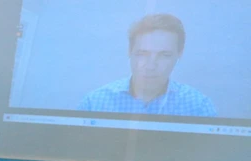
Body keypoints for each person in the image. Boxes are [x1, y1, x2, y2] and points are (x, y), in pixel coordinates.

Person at [79, 14, 216, 117]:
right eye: (142, 54)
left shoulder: (199, 107)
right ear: (129, 51)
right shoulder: (94, 103)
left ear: (179, 54)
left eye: (164, 55)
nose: (151, 66)